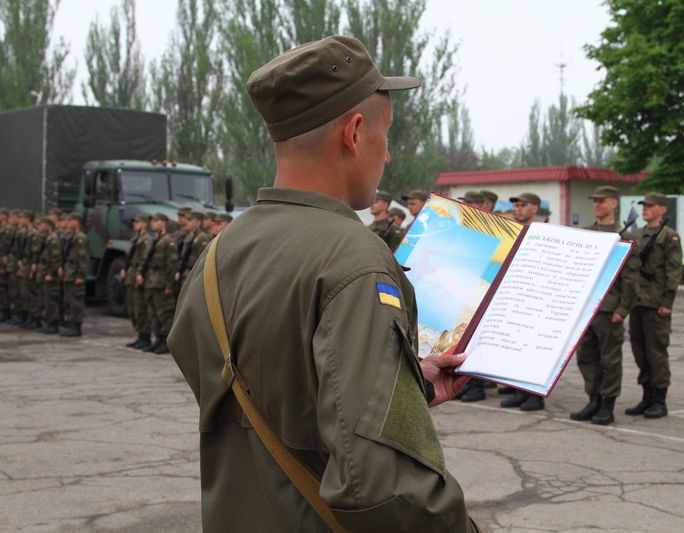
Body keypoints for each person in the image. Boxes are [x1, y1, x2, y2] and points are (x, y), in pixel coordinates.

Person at [168, 35, 478, 532]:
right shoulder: (352, 256)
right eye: (387, 135)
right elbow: (383, 483)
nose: (389, 155)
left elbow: (270, 388)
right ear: (355, 133)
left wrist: (405, 381)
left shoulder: (220, 251)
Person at [570, 186, 639, 425]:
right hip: (586, 309)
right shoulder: (587, 233)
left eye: (601, 201)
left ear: (613, 204)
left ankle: (607, 403)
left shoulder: (624, 235)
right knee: (586, 356)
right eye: (594, 201)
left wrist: (623, 309)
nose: (596, 205)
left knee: (610, 359)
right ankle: (594, 398)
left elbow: (631, 279)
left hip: (609, 310)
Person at [625, 192, 682, 419]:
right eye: (644, 206)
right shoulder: (638, 234)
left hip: (656, 303)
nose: (645, 209)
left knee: (656, 352)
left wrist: (668, 301)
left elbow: (674, 270)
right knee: (640, 352)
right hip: (637, 301)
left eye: (650, 206)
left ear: (662, 209)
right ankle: (646, 396)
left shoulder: (669, 236)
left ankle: (660, 399)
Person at [497, 193, 546, 412]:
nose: (517, 209)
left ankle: (534, 396)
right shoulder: (513, 230)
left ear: (535, 208)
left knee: (532, 350)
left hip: (534, 297)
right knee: (513, 347)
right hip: (511, 295)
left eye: (523, 205)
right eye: (515, 205)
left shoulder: (545, 232)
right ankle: (519, 390)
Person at [138, 213, 177, 354]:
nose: (152, 224)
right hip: (151, 281)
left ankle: (167, 341)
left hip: (161, 282)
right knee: (153, 312)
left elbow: (171, 265)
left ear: (163, 222)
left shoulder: (168, 241)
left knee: (164, 313)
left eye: (156, 221)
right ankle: (158, 339)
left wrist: (169, 285)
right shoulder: (155, 240)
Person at [121, 213, 154, 349]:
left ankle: (145, 336)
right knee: (132, 306)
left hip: (138, 275)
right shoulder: (136, 238)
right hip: (131, 274)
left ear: (145, 224)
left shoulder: (146, 239)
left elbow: (144, 259)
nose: (135, 224)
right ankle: (140, 334)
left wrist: (140, 273)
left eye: (138, 222)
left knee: (140, 307)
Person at [59, 213, 88, 337]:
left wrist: (81, 275)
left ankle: (76, 326)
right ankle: (71, 324)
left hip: (75, 272)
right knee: (68, 300)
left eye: (71, 220)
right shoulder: (71, 236)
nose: (68, 222)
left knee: (76, 301)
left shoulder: (80, 238)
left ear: (76, 222)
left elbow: (83, 258)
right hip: (68, 271)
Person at [35, 217, 62, 334]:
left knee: (51, 299)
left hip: (50, 274)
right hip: (44, 272)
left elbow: (56, 259)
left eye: (40, 224)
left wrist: (51, 273)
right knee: (45, 299)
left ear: (46, 225)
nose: (39, 227)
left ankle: (53, 324)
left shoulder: (53, 240)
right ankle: (48, 322)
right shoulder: (47, 239)